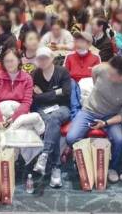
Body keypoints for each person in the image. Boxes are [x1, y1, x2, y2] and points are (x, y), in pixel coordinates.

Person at [65, 56, 122, 184]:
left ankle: (113, 167)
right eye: (108, 71)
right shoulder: (103, 69)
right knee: (71, 138)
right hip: (89, 110)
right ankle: (84, 160)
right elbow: (94, 72)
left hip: (110, 116)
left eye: (112, 75)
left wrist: (105, 123)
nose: (108, 75)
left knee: (119, 140)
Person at [31, 46, 72, 188]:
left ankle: (44, 154)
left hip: (63, 108)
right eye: (40, 58)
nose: (42, 61)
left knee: (54, 118)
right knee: (52, 123)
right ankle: (56, 168)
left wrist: (42, 95)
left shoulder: (62, 72)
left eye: (45, 58)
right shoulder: (35, 74)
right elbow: (34, 98)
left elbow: (66, 93)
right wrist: (55, 93)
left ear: (52, 58)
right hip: (43, 109)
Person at [0, 49, 34, 130]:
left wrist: (13, 118)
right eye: (6, 61)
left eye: (12, 61)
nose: (9, 64)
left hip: (19, 113)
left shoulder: (27, 78)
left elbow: (27, 102)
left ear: (19, 61)